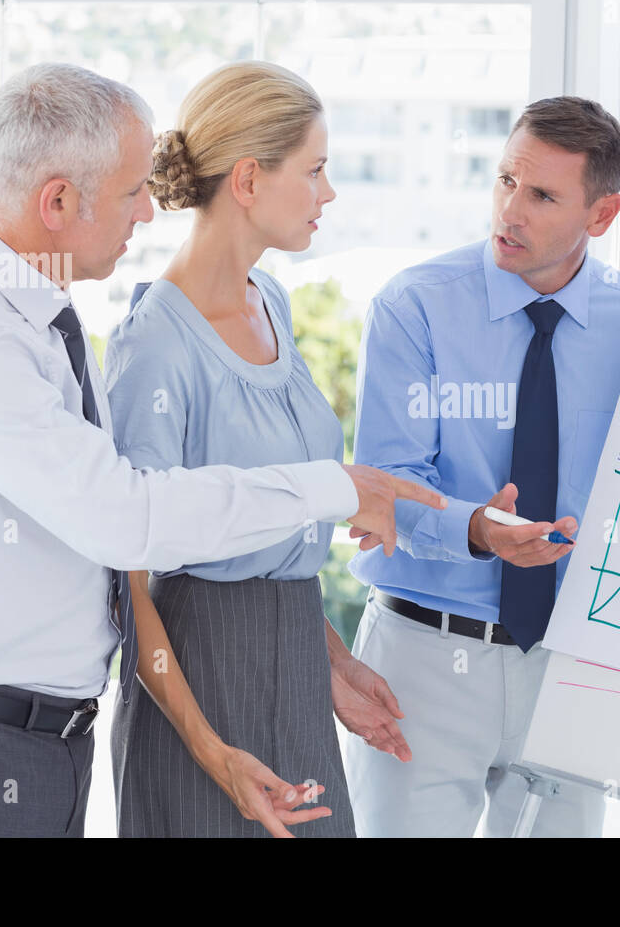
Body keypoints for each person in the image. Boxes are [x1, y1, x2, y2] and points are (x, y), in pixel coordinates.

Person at [0, 62, 443, 838]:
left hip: (30, 738)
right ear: (58, 200)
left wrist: (322, 658)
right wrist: (333, 489)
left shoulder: (40, 319)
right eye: (134, 189)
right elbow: (126, 518)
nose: (150, 206)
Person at [105, 62, 409, 838]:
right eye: (314, 171)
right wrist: (212, 751)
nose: (328, 194)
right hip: (198, 693)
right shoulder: (155, 348)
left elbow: (276, 535)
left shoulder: (270, 300)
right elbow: (129, 587)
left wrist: (330, 661)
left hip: (297, 666)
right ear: (248, 179)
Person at [343, 97, 620, 837]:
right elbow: (386, 490)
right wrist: (478, 529)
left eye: (541, 195)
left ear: (601, 215)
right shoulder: (415, 306)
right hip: (423, 658)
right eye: (506, 180)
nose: (510, 209)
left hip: (566, 667)